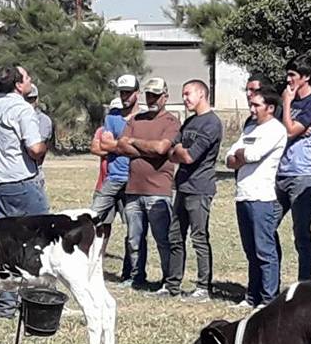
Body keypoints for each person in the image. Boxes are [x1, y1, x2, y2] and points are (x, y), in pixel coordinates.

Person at [114, 77, 181, 291]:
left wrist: (135, 142)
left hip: (158, 190)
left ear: (165, 97)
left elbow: (162, 149)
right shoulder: (135, 119)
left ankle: (168, 280)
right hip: (133, 189)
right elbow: (120, 146)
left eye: (156, 95)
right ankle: (136, 277)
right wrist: (148, 149)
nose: (151, 99)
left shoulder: (171, 122)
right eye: (149, 95)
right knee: (134, 239)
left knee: (163, 239)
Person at [227, 85, 287, 307]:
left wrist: (240, 155)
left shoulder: (275, 130)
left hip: (262, 198)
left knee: (264, 250)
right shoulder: (250, 129)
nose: (252, 109)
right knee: (250, 251)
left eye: (256, 105)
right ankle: (251, 296)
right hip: (243, 195)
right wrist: (239, 156)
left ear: (270, 108)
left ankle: (268, 299)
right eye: (251, 104)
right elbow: (229, 158)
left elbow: (253, 154)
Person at [164, 80, 224, 301]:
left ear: (201, 94)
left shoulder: (211, 123)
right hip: (182, 186)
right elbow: (170, 151)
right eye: (183, 94)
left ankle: (202, 288)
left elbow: (190, 156)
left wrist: (179, 150)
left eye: (188, 93)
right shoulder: (190, 122)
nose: (184, 99)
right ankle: (172, 285)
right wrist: (179, 150)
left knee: (199, 238)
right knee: (175, 237)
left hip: (200, 188)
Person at [0, 64, 47, 219]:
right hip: (19, 181)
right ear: (18, 85)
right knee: (39, 229)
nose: (30, 80)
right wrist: (44, 146)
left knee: (3, 232)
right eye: (27, 78)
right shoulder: (23, 109)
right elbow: (35, 149)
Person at [276, 54, 311, 282]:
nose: (288, 80)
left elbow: (288, 131)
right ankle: (271, 280)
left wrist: (287, 105)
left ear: (306, 77)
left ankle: (305, 283)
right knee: (266, 226)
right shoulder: (289, 101)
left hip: (302, 174)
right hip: (280, 172)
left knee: (301, 234)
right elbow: (280, 130)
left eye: (292, 75)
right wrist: (293, 125)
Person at [90, 78, 145, 281]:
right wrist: (127, 145)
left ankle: (133, 274)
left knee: (134, 230)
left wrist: (117, 145)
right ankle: (90, 267)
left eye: (128, 92)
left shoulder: (143, 118)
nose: (124, 96)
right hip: (112, 178)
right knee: (91, 218)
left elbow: (144, 149)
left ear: (137, 92)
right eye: (122, 92)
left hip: (134, 179)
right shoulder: (112, 116)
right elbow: (103, 144)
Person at [26, 84, 53, 189]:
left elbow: (36, 150)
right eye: (27, 99)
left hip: (34, 174)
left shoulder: (43, 120)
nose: (29, 103)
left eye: (32, 99)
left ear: (37, 100)